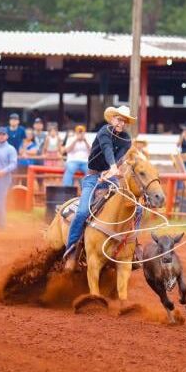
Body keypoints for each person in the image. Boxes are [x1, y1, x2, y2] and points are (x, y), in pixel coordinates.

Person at [63, 105, 134, 268]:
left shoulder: (127, 140)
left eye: (124, 121)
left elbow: (118, 156)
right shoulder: (104, 131)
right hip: (93, 176)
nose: (121, 123)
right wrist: (112, 167)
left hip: (110, 177)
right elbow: (107, 149)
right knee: (82, 212)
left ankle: (132, 247)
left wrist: (111, 170)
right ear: (112, 118)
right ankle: (71, 250)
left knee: (132, 208)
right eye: (118, 119)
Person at [0, 127, 18, 229]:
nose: (1, 136)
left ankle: (1, 225)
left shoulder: (11, 149)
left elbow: (14, 164)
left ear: (7, 136)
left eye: (3, 134)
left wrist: (4, 171)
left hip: (4, 178)